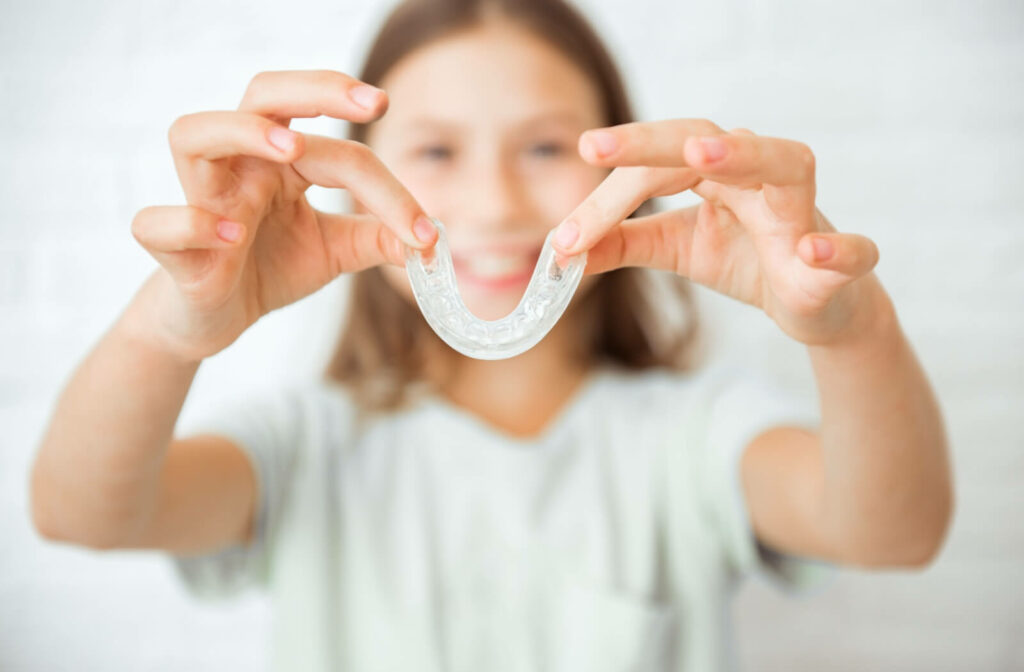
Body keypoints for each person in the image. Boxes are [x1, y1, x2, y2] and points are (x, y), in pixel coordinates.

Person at [29, 0, 954, 670]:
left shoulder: (693, 435)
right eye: (435, 150)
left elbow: (893, 533)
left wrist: (851, 329)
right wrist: (170, 327)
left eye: (547, 148)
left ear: (629, 175)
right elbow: (81, 513)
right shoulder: (303, 445)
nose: (497, 203)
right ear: (355, 184)